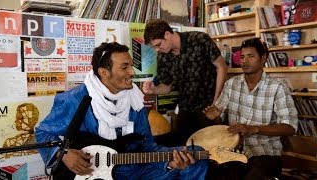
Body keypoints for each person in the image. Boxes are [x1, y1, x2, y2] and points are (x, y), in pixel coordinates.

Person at [35, 42, 208, 179]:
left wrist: (171, 164)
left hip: (134, 169)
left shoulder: (135, 100)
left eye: (131, 66)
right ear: (104, 72)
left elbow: (147, 147)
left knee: (196, 155)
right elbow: (42, 134)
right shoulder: (74, 99)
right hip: (92, 174)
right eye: (124, 67)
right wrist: (63, 155)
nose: (132, 72)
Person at [204, 37, 298, 179]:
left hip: (264, 153)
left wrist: (254, 128)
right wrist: (215, 117)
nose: (244, 61)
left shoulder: (277, 87)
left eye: (250, 56)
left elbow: (290, 127)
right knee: (208, 172)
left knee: (253, 175)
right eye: (242, 57)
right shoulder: (231, 85)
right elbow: (222, 127)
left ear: (263, 58)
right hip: (232, 151)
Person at [143, 19, 227, 145]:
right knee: (184, 150)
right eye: (154, 47)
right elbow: (167, 87)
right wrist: (154, 90)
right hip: (185, 109)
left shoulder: (199, 39)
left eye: (158, 45)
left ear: (167, 34)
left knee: (211, 151)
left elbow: (221, 67)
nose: (157, 50)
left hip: (208, 107)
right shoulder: (163, 56)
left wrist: (216, 101)